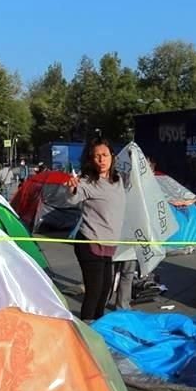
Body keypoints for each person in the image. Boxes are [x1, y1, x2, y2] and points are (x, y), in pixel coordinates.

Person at [65, 137, 126, 321]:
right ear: (91, 159)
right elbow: (72, 199)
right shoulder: (87, 182)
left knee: (106, 291)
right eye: (97, 156)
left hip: (109, 246)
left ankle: (98, 329)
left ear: (112, 156)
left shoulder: (119, 180)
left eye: (105, 155)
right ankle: (86, 334)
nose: (101, 160)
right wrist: (71, 189)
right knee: (94, 292)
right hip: (90, 243)